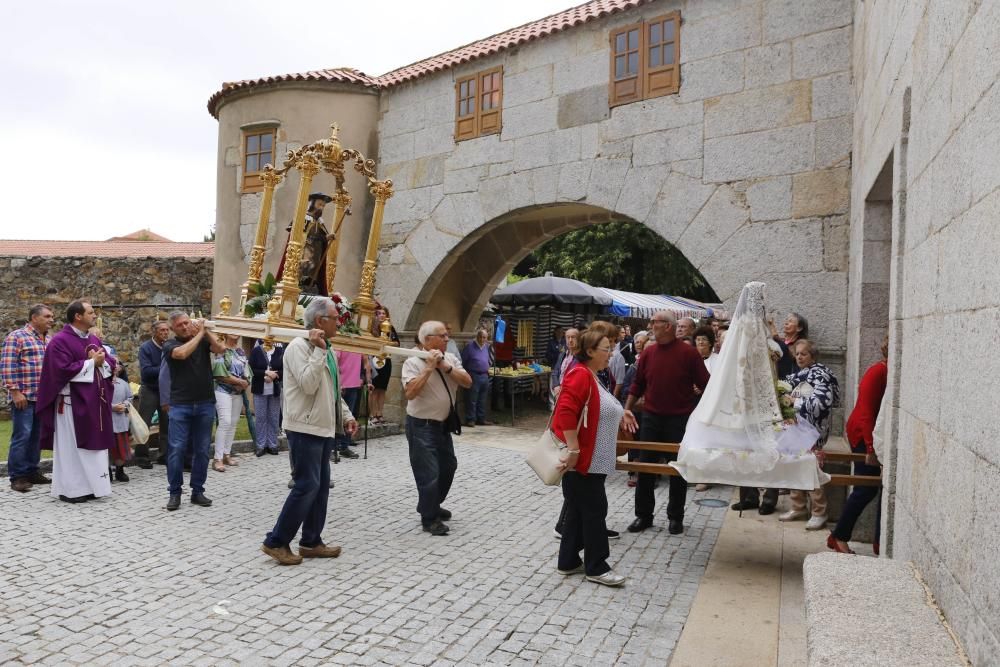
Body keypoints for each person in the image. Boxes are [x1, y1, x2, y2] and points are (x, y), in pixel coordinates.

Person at [261, 298, 358, 565]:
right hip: (304, 427)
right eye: (335, 318)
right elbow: (308, 384)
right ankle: (276, 542)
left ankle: (311, 541)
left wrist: (346, 416)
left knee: (321, 487)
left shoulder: (324, 348)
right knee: (307, 485)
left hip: (323, 427)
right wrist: (318, 351)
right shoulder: (298, 347)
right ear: (319, 321)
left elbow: (332, 391)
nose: (339, 322)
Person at [553, 328, 632, 587]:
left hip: (592, 459)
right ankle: (597, 566)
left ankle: (568, 561)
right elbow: (564, 412)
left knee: (577, 509)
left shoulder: (592, 376)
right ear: (590, 351)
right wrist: (574, 450)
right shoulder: (579, 375)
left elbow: (600, 408)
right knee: (595, 511)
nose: (611, 353)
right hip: (584, 460)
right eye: (606, 349)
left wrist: (622, 413)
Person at [624, 311, 710, 535]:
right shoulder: (649, 353)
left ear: (668, 327)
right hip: (651, 418)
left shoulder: (689, 354)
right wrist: (626, 409)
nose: (651, 325)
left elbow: (706, 385)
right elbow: (637, 384)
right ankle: (643, 515)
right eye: (652, 322)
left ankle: (676, 517)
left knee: (677, 470)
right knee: (645, 468)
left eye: (655, 322)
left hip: (679, 420)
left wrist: (700, 412)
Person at [35, 300, 116, 503]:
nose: (95, 315)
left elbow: (109, 362)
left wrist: (102, 362)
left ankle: (91, 487)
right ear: (78, 316)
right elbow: (60, 370)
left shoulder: (93, 339)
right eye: (90, 312)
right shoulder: (60, 341)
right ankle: (72, 490)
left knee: (93, 448)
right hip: (71, 404)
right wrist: (91, 363)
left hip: (94, 403)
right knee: (72, 449)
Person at [401, 321, 472, 535]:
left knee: (448, 466)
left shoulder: (449, 358)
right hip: (421, 425)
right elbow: (411, 392)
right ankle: (430, 518)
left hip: (442, 425)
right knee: (428, 472)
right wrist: (430, 368)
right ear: (428, 339)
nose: (447, 338)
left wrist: (446, 367)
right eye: (442, 335)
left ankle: (429, 504)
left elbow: (467, 382)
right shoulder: (412, 362)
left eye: (447, 335)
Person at [829, 336, 889, 554]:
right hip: (863, 435)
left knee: (872, 488)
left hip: (870, 435)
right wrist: (871, 449)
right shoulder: (878, 372)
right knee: (865, 488)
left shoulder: (886, 371)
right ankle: (839, 536)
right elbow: (865, 412)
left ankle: (877, 541)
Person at [162, 311, 225, 511]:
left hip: (205, 402)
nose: (185, 326)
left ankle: (198, 491)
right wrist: (200, 334)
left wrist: (206, 333)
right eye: (180, 325)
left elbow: (220, 349)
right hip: (181, 404)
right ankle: (175, 493)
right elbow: (182, 354)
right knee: (177, 450)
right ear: (173, 329)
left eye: (187, 323)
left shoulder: (202, 339)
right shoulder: (170, 345)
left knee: (202, 450)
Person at [779, 339, 840, 529]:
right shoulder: (800, 374)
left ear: (812, 356)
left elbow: (822, 404)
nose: (799, 357)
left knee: (811, 468)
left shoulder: (821, 375)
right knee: (794, 465)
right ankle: (798, 507)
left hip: (811, 430)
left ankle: (819, 511)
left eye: (803, 354)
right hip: (795, 428)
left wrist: (794, 403)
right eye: (797, 354)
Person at [2, 303, 54, 492]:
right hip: (24, 397)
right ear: (34, 318)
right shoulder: (17, 337)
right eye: (47, 316)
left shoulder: (49, 339)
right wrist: (15, 392)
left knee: (37, 437)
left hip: (43, 398)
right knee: (22, 435)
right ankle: (18, 476)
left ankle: (32, 471)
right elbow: (7, 366)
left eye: (52, 316)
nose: (51, 320)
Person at [276, 193, 335, 295]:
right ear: (312, 203)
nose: (321, 208)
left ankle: (310, 286)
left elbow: (321, 237)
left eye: (323, 206)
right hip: (303, 254)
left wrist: (326, 238)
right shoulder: (303, 218)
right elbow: (302, 236)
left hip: (316, 255)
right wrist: (324, 238)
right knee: (303, 270)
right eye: (319, 204)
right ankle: (301, 286)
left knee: (313, 273)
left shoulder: (319, 222)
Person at [211, 334, 251, 472]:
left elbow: (247, 370)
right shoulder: (221, 350)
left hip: (238, 392)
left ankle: (227, 454)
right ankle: (217, 459)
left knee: (233, 423)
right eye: (232, 331)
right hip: (223, 390)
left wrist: (246, 382)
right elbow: (219, 373)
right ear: (226, 333)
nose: (235, 334)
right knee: (225, 422)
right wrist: (239, 382)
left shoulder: (240, 351)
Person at [136, 320, 170, 469]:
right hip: (149, 389)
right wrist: (166, 368)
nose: (165, 333)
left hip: (165, 391)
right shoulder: (146, 348)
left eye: (167, 330)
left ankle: (164, 455)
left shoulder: (169, 347)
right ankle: (142, 457)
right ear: (154, 332)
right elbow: (147, 372)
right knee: (144, 424)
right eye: (162, 330)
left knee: (167, 424)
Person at [333, 350, 371, 458]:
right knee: (336, 416)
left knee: (350, 417)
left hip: (353, 385)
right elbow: (335, 362)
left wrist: (367, 380)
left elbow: (366, 363)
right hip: (341, 385)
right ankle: (333, 447)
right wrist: (337, 382)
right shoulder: (342, 344)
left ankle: (344, 446)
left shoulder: (358, 346)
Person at [249, 340, 283, 456]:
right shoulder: (256, 351)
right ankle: (260, 445)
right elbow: (251, 369)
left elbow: (284, 369)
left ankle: (272, 444)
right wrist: (265, 373)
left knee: (273, 417)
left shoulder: (279, 351)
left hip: (274, 390)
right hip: (260, 389)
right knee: (261, 417)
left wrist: (275, 375)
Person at [368, 303, 399, 425]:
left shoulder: (390, 328)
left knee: (382, 389)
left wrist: (387, 344)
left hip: (386, 359)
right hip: (374, 359)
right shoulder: (372, 328)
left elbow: (397, 343)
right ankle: (372, 414)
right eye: (379, 313)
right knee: (374, 389)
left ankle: (380, 413)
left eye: (383, 313)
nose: (381, 315)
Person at [461, 328, 492, 427]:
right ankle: (471, 419)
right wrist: (467, 373)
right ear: (477, 336)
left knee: (482, 399)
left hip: (484, 375)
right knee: (472, 399)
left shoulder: (486, 347)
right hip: (473, 375)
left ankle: (481, 418)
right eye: (481, 337)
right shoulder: (470, 347)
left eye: (485, 338)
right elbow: (463, 361)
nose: (483, 339)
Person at [109, 362, 133, 482]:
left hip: (121, 421)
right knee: (108, 449)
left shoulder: (123, 383)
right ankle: (106, 471)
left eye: (118, 364)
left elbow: (130, 398)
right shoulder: (102, 383)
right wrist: (111, 407)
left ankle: (120, 470)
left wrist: (125, 405)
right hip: (107, 421)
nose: (115, 367)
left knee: (120, 448)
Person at [770, 312, 808, 379]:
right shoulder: (782, 340)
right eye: (786, 320)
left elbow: (792, 355)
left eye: (790, 321)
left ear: (799, 328)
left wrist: (774, 334)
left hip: (789, 379)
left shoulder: (801, 344)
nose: (786, 323)